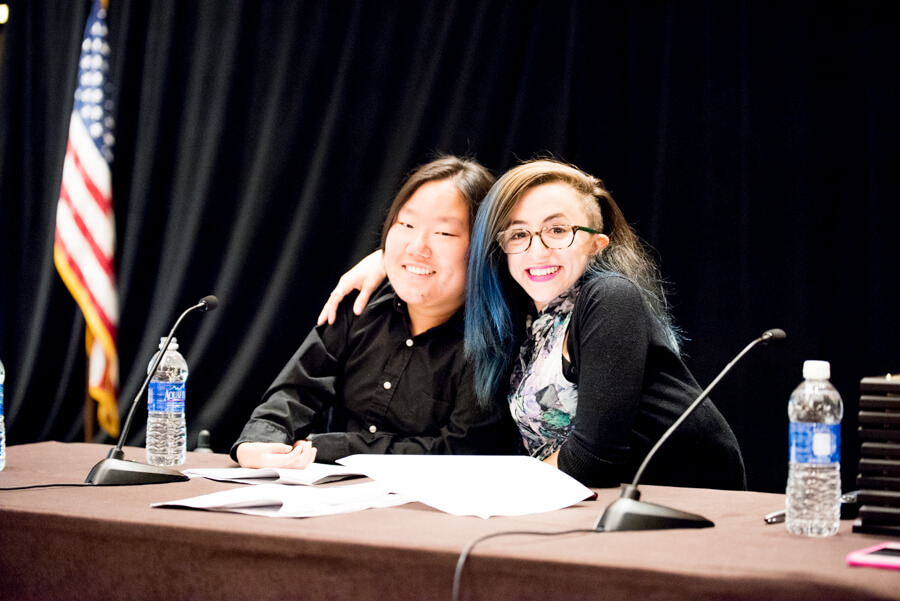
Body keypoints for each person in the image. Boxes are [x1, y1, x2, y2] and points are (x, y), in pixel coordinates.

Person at [319, 159, 745, 490]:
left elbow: (592, 461)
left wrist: (499, 487)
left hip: (688, 502)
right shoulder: (523, 315)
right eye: (518, 234)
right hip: (594, 505)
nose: (537, 250)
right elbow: (462, 257)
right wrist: (389, 262)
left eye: (557, 230)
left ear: (597, 244)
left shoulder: (608, 298)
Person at [232, 156, 519, 469]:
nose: (416, 246)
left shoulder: (494, 340)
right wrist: (261, 441)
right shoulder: (361, 305)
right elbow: (296, 390)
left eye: (444, 234)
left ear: (483, 247)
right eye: (406, 225)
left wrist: (332, 448)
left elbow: (461, 451)